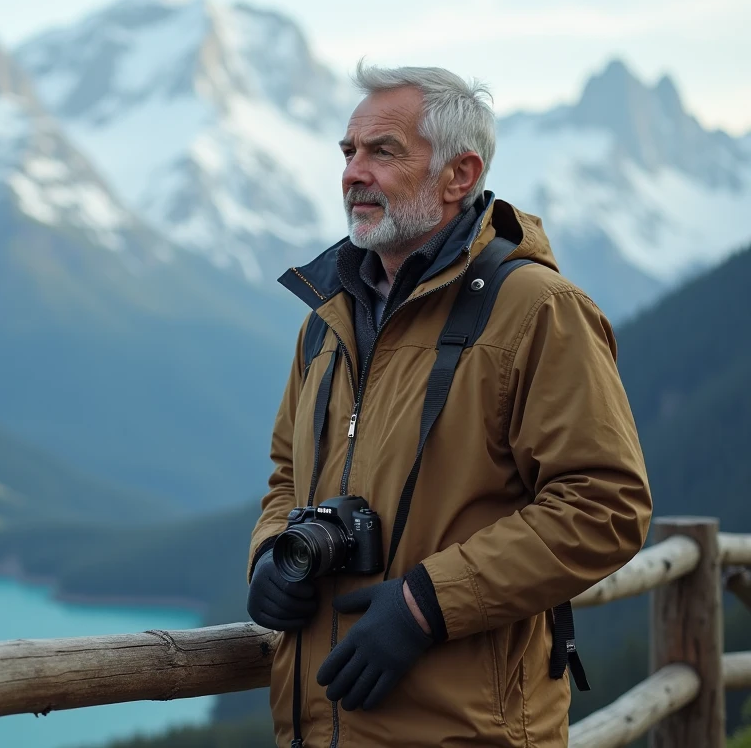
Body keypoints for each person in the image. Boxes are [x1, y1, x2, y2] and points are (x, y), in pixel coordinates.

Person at [245, 63, 653, 747]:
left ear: (459, 175)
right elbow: (288, 474)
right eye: (348, 152)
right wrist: (268, 556)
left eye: (383, 151)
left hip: (469, 731)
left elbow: (604, 506)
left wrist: (425, 605)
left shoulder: (538, 310)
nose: (353, 173)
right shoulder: (326, 321)